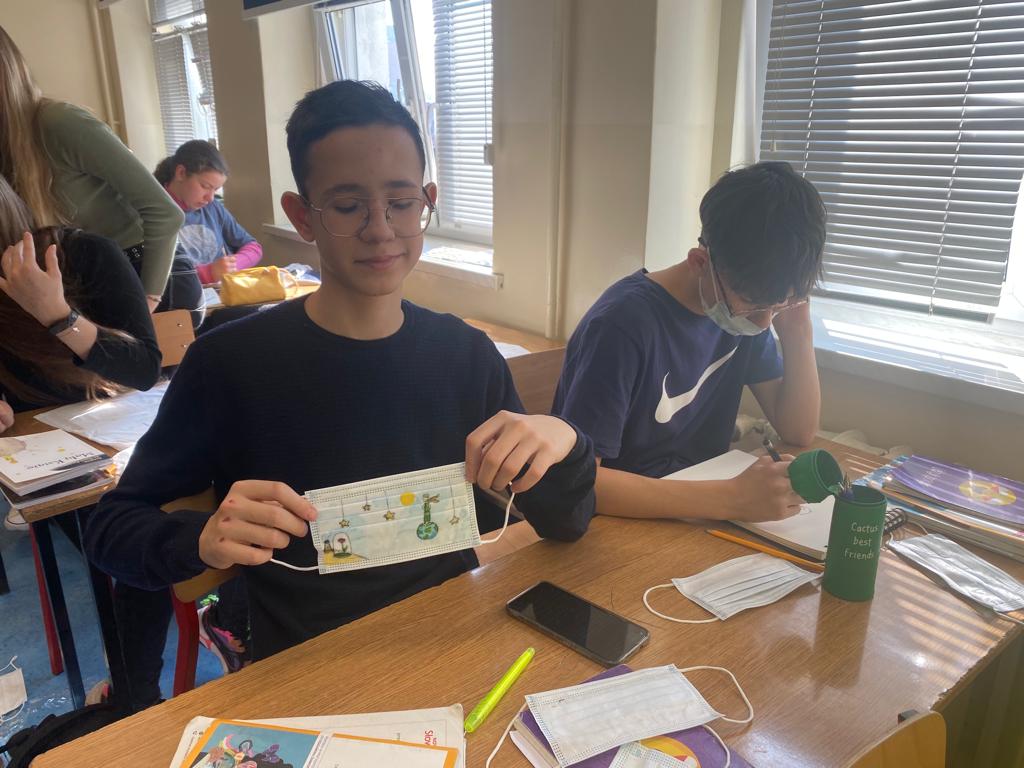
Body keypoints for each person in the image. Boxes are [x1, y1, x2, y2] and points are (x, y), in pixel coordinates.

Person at [85, 80, 596, 661]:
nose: (380, 229)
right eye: (348, 207)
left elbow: (565, 524)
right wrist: (199, 539)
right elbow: (111, 529)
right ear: (302, 216)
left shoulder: (467, 356)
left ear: (427, 203)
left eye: (401, 203)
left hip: (454, 640)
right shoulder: (230, 364)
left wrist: (566, 440)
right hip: (308, 663)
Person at [552, 161, 826, 523]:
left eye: (779, 306)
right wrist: (731, 499)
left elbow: (799, 430)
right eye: (754, 305)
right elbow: (579, 480)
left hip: (698, 510)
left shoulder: (745, 315)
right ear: (699, 262)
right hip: (621, 521)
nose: (764, 324)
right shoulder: (622, 325)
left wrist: (798, 329)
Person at [0, 174, 168, 711]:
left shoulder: (85, 255)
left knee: (143, 539)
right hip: (48, 462)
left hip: (123, 429)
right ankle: (134, 697)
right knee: (130, 549)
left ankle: (138, 690)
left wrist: (57, 315)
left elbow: (143, 368)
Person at [0, 25, 185, 315]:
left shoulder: (59, 123)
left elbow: (165, 212)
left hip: (147, 275)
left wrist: (146, 303)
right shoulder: (8, 147)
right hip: (87, 285)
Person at [155, 140, 263, 286]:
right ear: (181, 173)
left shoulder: (213, 208)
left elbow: (254, 247)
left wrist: (232, 264)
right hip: (183, 296)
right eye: (205, 186)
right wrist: (209, 273)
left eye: (215, 189)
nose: (210, 198)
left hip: (222, 293)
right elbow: (154, 277)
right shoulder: (153, 214)